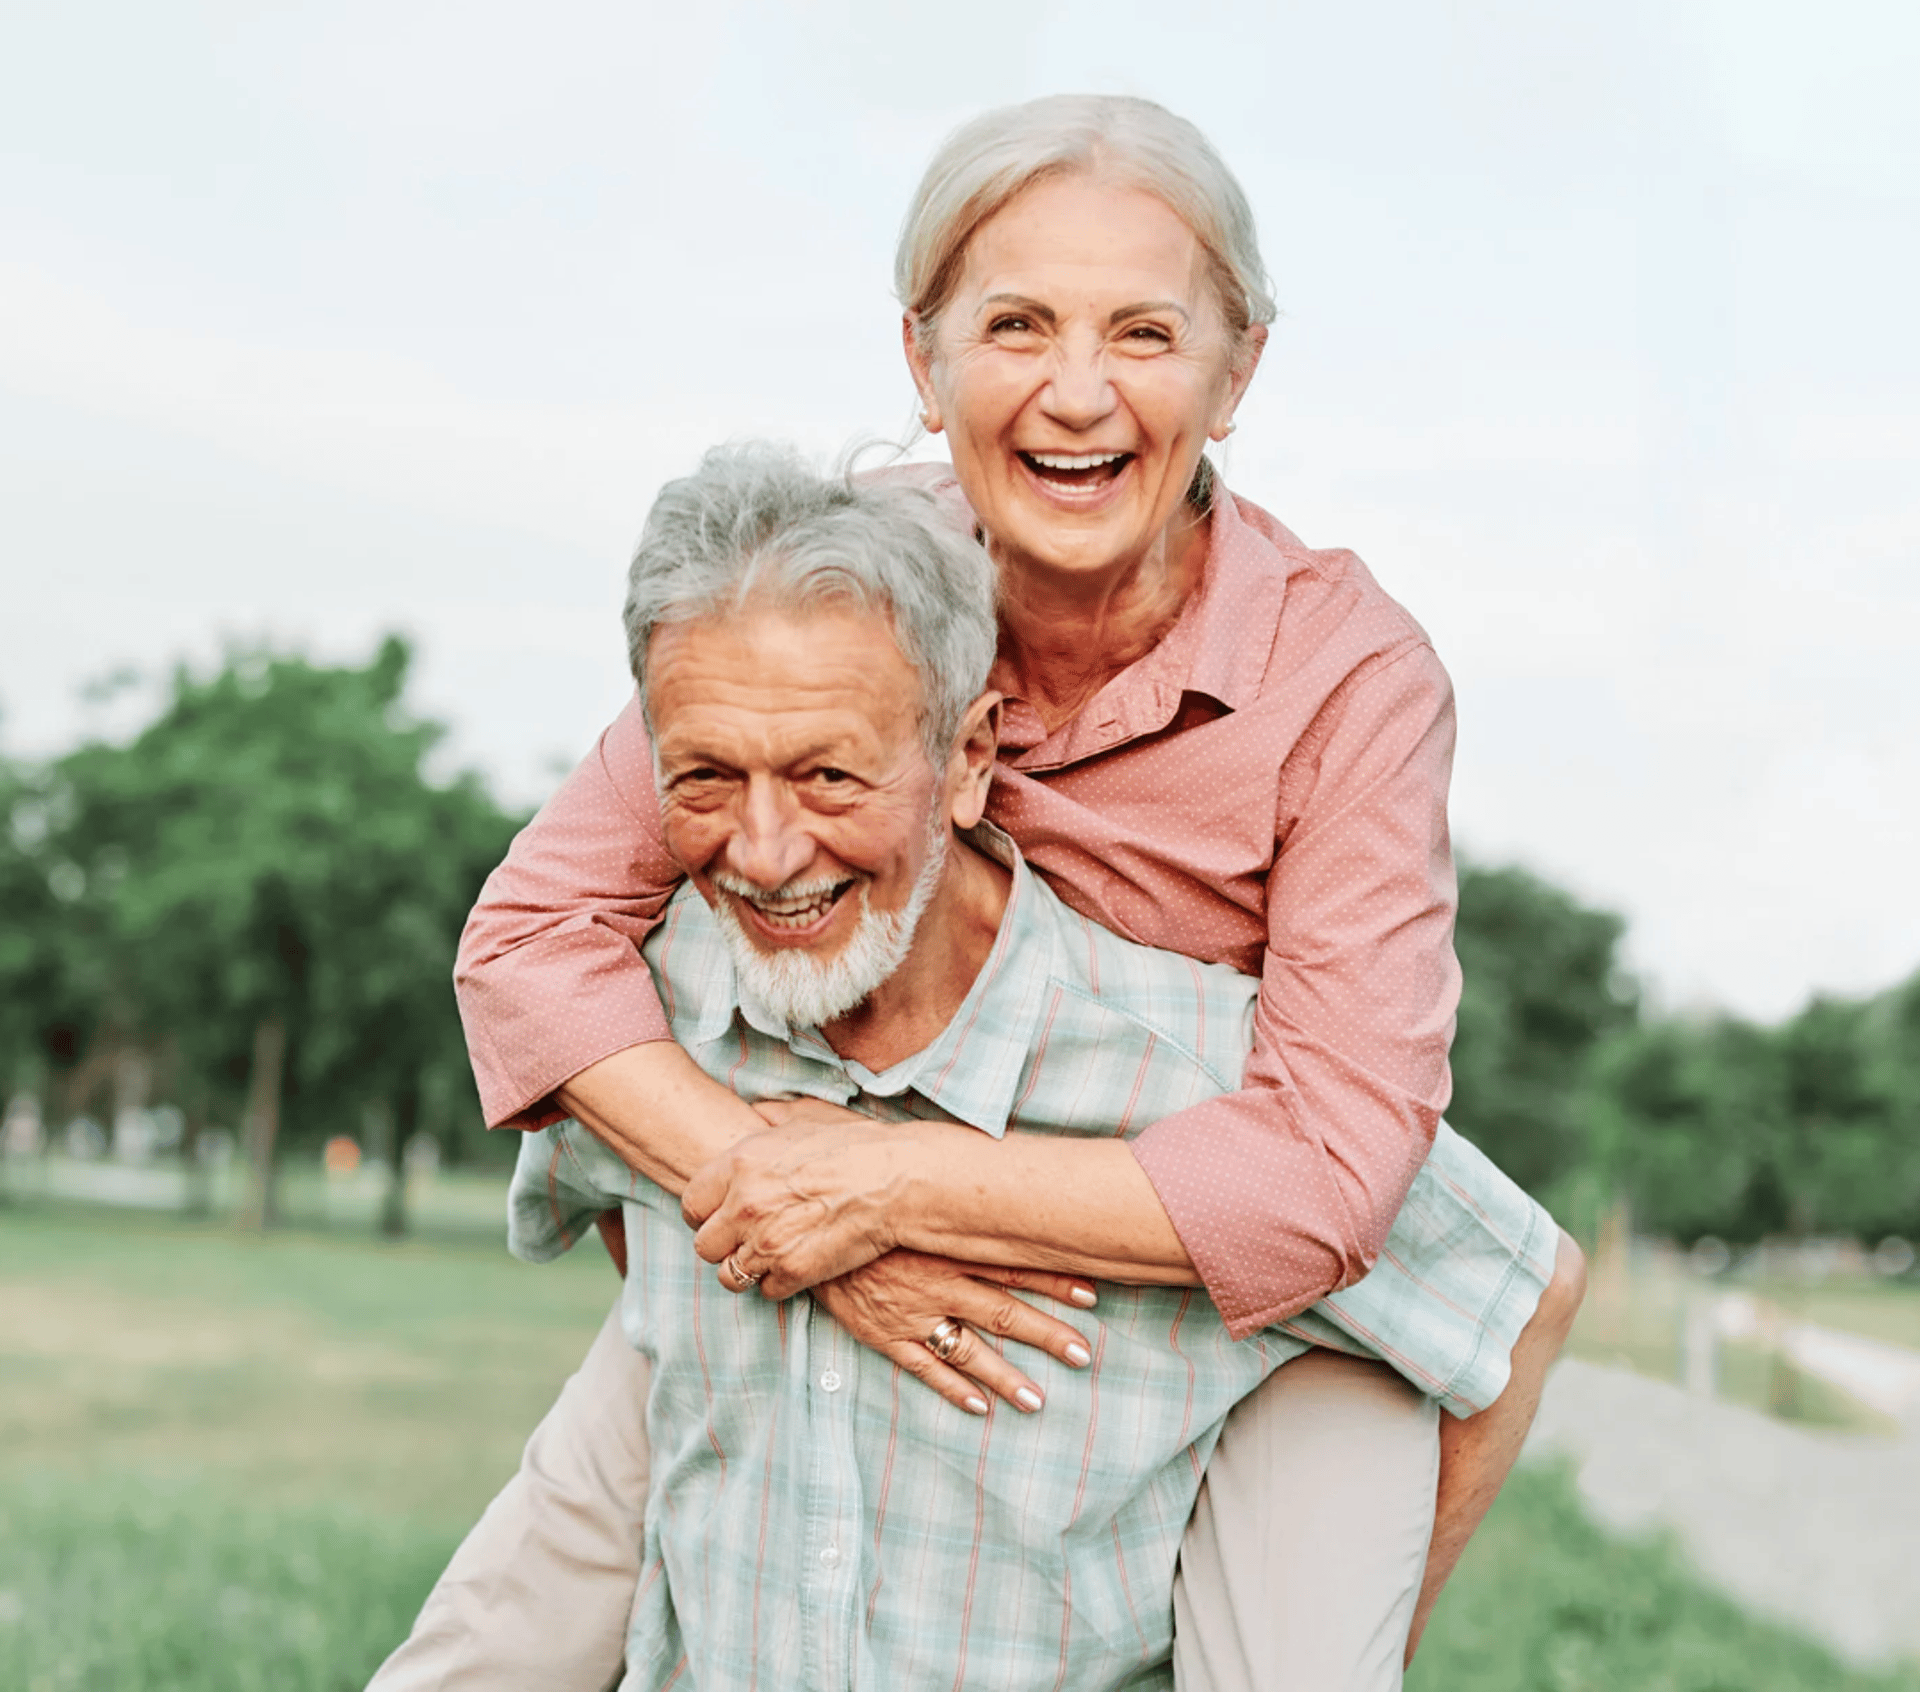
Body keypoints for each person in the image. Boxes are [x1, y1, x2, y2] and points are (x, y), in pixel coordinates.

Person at [433, 93, 1586, 1685]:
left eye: (1145, 333)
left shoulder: (1346, 674)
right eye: (1018, 324)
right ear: (923, 359)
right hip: (822, 1199)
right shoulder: (839, 591)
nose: (1078, 392)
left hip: (1227, 1282)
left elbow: (1326, 1175)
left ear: (1237, 370)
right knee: (497, 1642)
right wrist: (794, 1196)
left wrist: (890, 1191)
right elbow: (533, 940)